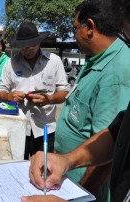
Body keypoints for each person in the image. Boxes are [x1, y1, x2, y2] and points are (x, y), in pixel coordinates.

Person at [22, 0, 130, 201]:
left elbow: (110, 157)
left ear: (89, 27)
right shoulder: (96, 59)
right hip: (67, 182)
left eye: (74, 28)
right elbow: (114, 133)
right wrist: (63, 159)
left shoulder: (118, 72)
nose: (73, 34)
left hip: (84, 191)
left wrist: (78, 197)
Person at [0, 22, 69, 160]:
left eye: (31, 46)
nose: (27, 50)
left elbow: (65, 92)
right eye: (23, 48)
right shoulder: (10, 64)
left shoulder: (54, 61)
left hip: (46, 129)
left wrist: (49, 99)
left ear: (39, 43)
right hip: (18, 128)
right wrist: (9, 96)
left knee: (44, 171)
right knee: (16, 168)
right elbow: (0, 92)